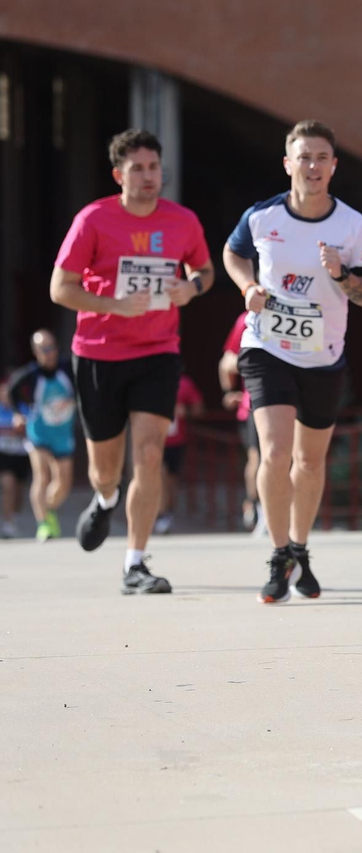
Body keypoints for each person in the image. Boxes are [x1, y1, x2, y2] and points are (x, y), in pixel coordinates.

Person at [222, 120, 362, 603]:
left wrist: (341, 273)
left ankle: (300, 547)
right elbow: (233, 255)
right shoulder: (261, 218)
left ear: (334, 166)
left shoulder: (353, 227)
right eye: (303, 157)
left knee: (309, 462)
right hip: (267, 348)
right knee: (274, 452)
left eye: (321, 158)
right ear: (288, 164)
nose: (312, 166)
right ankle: (277, 556)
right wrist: (248, 287)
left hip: (324, 356)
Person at [50, 129, 214, 593]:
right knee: (105, 466)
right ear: (119, 174)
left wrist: (192, 288)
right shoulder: (93, 219)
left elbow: (204, 270)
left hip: (158, 352)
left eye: (154, 167)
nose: (148, 176)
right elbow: (59, 289)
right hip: (99, 353)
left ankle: (135, 563)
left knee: (149, 454)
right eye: (138, 168)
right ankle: (104, 499)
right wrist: (114, 306)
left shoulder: (183, 221)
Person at [7, 329, 77, 541]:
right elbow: (12, 393)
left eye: (52, 347)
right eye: (43, 349)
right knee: (42, 475)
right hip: (39, 432)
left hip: (62, 433)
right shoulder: (30, 375)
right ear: (36, 352)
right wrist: (19, 414)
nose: (49, 352)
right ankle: (44, 523)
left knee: (63, 482)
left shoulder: (68, 369)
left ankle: (48, 508)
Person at [219, 310, 264, 534]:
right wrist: (229, 391)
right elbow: (227, 363)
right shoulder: (247, 318)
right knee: (258, 457)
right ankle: (255, 505)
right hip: (254, 404)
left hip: (291, 401)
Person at [155, 373, 203, 535]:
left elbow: (198, 408)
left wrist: (184, 412)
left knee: (171, 480)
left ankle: (167, 513)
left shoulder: (183, 384)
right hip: (153, 441)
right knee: (159, 475)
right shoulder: (148, 381)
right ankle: (160, 514)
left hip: (175, 440)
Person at [0, 393, 26, 539]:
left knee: (18, 490)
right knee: (8, 485)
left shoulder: (23, 409)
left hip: (21, 454)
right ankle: (8, 522)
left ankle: (14, 515)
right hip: (4, 455)